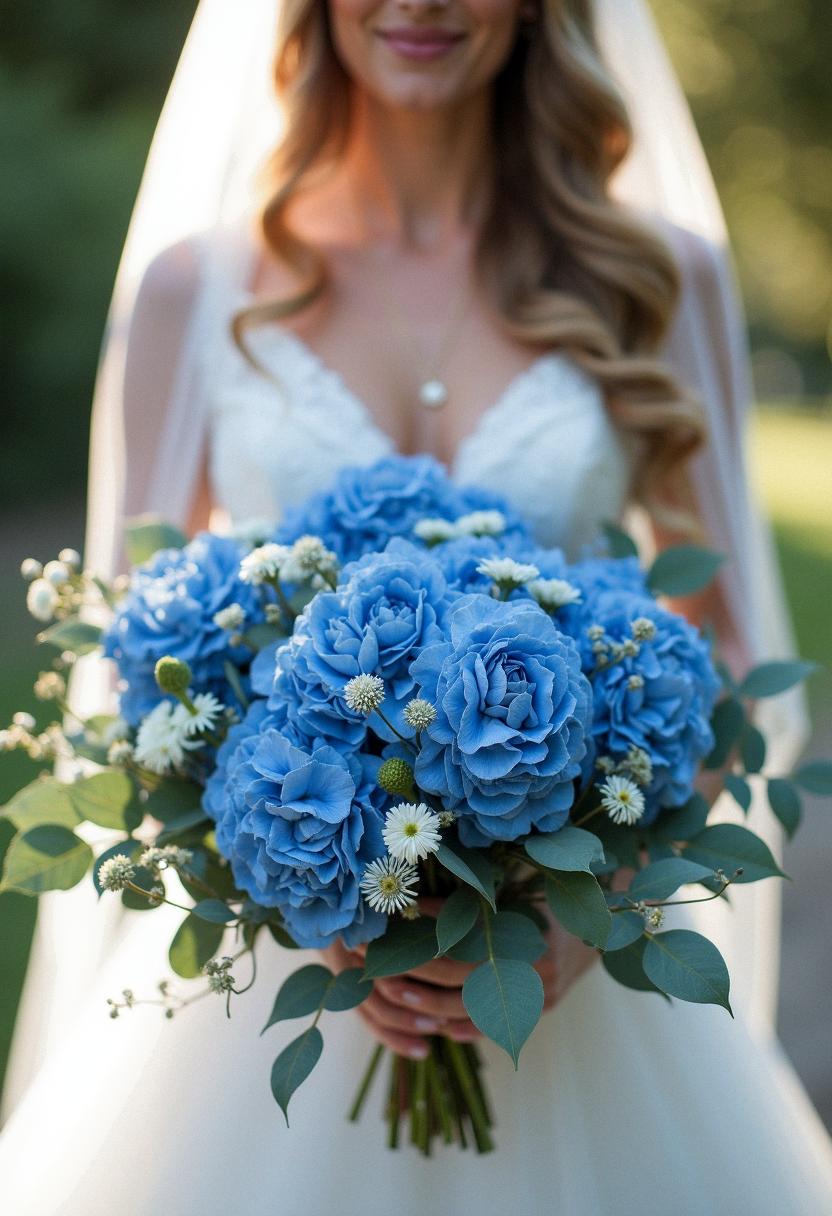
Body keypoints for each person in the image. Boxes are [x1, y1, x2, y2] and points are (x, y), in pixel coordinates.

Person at [2, 1, 831, 1212]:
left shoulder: (659, 277)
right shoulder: (195, 291)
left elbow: (728, 648)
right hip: (271, 1003)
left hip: (569, 997)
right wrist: (298, 885)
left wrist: (587, 917)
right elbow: (140, 657)